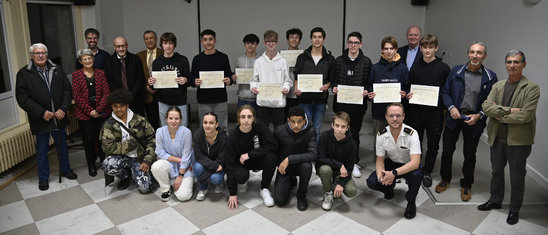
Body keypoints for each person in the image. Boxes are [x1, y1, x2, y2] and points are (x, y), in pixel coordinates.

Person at [479, 50, 540, 225]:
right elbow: (486, 107)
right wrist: (510, 110)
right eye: (509, 62)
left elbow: (525, 116)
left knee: (517, 177)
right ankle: (495, 200)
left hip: (519, 142)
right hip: (497, 137)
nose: (512, 65)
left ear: (524, 64)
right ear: (505, 64)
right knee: (496, 172)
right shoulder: (498, 85)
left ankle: (514, 209)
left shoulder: (532, 88)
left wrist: (499, 113)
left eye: (516, 62)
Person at [436, 42, 498, 201]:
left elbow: (492, 102)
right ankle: (445, 179)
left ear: (485, 56)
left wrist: (480, 115)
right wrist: (451, 108)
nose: (475, 55)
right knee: (447, 150)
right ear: (468, 54)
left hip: (474, 120)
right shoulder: (456, 71)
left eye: (479, 53)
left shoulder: (490, 77)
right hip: (454, 116)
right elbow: (445, 92)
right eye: (472, 52)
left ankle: (466, 184)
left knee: (470, 154)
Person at [15, 43, 77, 191]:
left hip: (59, 117)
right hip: (40, 119)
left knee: (62, 146)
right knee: (42, 150)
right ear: (32, 55)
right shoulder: (24, 73)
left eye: (43, 52)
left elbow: (67, 90)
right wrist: (41, 112)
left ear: (47, 54)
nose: (40, 55)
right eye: (37, 53)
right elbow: (23, 98)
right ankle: (43, 178)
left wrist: (63, 108)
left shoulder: (57, 69)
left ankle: (66, 169)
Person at [405, 34, 450, 187]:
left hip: (435, 113)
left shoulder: (444, 68)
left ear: (436, 48)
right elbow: (409, 87)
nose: (428, 50)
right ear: (421, 48)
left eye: (431, 47)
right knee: (415, 142)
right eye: (425, 47)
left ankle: (427, 171)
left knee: (433, 144)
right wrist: (409, 94)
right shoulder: (415, 67)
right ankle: (415, 167)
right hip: (416, 112)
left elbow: (446, 91)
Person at [366, 103, 421, 219]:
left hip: (409, 165)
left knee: (417, 176)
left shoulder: (412, 134)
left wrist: (393, 173)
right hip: (392, 163)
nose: (395, 119)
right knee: (372, 181)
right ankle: (388, 188)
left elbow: (415, 163)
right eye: (391, 116)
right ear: (386, 117)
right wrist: (381, 178)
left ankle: (411, 202)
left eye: (398, 115)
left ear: (403, 116)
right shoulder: (381, 135)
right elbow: (380, 160)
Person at [332, 31, 373, 178]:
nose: (353, 45)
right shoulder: (338, 61)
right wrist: (334, 87)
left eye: (356, 43)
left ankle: (353, 163)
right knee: (338, 133)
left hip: (357, 107)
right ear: (347, 43)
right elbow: (333, 79)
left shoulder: (367, 62)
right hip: (341, 106)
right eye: (350, 42)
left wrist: (367, 90)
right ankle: (338, 162)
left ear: (360, 44)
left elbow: (369, 82)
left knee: (354, 135)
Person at [100, 89, 157, 193]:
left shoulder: (140, 120)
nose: (118, 109)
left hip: (140, 158)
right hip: (123, 158)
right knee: (108, 164)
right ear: (111, 107)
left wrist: (147, 161)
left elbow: (152, 141)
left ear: (127, 106)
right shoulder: (108, 124)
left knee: (145, 188)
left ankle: (143, 173)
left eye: (121, 106)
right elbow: (107, 147)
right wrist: (129, 145)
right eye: (115, 106)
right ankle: (125, 176)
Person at [225, 105, 278, 210]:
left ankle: (264, 188)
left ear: (253, 118)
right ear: (238, 119)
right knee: (240, 176)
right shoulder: (233, 137)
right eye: (243, 117)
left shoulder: (260, 127)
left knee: (272, 157)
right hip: (241, 163)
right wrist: (232, 193)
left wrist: (249, 154)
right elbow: (229, 164)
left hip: (257, 158)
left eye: (249, 117)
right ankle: (242, 181)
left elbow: (273, 145)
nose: (246, 120)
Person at [71, 49, 111, 177]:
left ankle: (104, 162)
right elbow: (77, 96)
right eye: (85, 59)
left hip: (101, 112)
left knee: (101, 139)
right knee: (88, 140)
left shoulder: (101, 73)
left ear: (93, 60)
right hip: (84, 114)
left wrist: (98, 110)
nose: (88, 61)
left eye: (89, 58)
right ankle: (91, 165)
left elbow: (106, 92)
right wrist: (90, 111)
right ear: (80, 61)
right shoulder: (76, 75)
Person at [294, 27, 335, 141]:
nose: (317, 39)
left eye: (320, 37)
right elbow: (296, 75)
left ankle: (314, 157)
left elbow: (332, 79)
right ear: (311, 39)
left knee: (316, 129)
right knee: (305, 128)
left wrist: (328, 85)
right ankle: (305, 155)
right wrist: (296, 88)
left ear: (324, 39)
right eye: (314, 37)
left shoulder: (330, 59)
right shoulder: (302, 57)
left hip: (320, 100)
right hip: (304, 99)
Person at [366, 36, 409, 145]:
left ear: (396, 50)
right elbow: (369, 86)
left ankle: (394, 162)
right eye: (386, 49)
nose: (388, 51)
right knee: (380, 140)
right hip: (379, 112)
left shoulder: (403, 68)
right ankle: (379, 162)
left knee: (397, 140)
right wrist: (370, 94)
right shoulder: (375, 68)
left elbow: (407, 87)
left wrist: (404, 93)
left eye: (391, 48)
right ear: (382, 50)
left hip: (397, 112)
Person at [273, 106, 317, 211]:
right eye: (292, 122)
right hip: (285, 168)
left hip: (301, 165)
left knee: (307, 166)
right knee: (280, 201)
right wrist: (279, 163)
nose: (296, 125)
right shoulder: (280, 131)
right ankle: (290, 179)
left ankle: (301, 195)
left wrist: (289, 159)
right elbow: (273, 151)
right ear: (288, 120)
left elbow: (313, 154)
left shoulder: (310, 131)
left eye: (299, 122)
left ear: (304, 120)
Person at [190, 29, 233, 131]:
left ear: (215, 40)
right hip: (203, 100)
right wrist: (194, 82)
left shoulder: (223, 57)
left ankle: (223, 147)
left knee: (222, 128)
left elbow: (229, 75)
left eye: (210, 39)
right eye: (205, 40)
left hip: (220, 99)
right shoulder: (197, 59)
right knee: (205, 128)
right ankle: (206, 147)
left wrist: (229, 80)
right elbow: (192, 77)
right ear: (202, 42)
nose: (208, 42)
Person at [150, 106, 195, 202]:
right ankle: (166, 189)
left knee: (183, 196)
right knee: (156, 166)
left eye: (176, 118)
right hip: (170, 164)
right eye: (170, 118)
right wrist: (178, 159)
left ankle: (179, 181)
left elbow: (187, 156)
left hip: (185, 167)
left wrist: (180, 176)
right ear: (166, 119)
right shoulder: (160, 132)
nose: (173, 121)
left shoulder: (187, 132)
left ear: (181, 120)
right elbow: (160, 152)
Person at [147, 32, 191, 127]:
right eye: (165, 43)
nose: (168, 46)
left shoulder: (183, 60)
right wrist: (151, 83)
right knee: (165, 128)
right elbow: (154, 86)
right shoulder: (157, 62)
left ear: (174, 45)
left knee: (182, 128)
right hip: (163, 101)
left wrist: (185, 80)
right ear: (161, 45)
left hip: (180, 100)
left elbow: (190, 80)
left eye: (170, 43)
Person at [250, 30, 292, 128]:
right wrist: (254, 87)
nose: (271, 44)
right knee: (263, 131)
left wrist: (286, 88)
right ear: (264, 43)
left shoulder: (283, 61)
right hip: (263, 103)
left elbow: (287, 80)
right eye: (268, 42)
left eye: (273, 41)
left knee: (279, 132)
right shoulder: (258, 61)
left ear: (277, 43)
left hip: (278, 103)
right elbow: (254, 80)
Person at [317, 111, 357, 211]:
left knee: (351, 191)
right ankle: (328, 193)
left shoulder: (352, 143)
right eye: (337, 125)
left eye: (343, 127)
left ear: (347, 128)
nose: (339, 129)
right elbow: (321, 158)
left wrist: (341, 183)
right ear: (332, 125)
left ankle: (335, 181)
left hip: (342, 173)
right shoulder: (325, 137)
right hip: (326, 167)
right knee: (325, 170)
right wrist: (339, 165)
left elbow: (349, 168)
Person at [104, 36, 146, 116]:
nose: (121, 49)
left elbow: (140, 79)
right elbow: (109, 81)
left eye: (123, 46)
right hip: (118, 101)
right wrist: (121, 96)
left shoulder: (135, 59)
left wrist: (131, 95)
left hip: (135, 99)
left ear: (127, 45)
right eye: (118, 46)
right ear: (114, 47)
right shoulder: (108, 61)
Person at [193, 112, 227, 201]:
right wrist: (215, 167)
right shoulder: (198, 135)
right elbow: (199, 156)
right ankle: (203, 188)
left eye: (211, 123)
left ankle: (219, 182)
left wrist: (203, 176)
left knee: (215, 179)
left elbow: (221, 159)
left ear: (216, 124)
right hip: (211, 164)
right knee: (197, 167)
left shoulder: (223, 137)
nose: (207, 126)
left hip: (220, 164)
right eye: (205, 122)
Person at [137, 30, 163, 130]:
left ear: (156, 39)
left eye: (151, 38)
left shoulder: (163, 53)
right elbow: (138, 75)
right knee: (152, 122)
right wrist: (147, 87)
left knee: (166, 121)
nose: (149, 40)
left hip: (163, 93)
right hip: (147, 94)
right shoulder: (139, 56)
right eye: (146, 38)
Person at [234, 33, 260, 111]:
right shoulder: (239, 60)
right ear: (244, 44)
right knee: (242, 121)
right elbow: (236, 78)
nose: (250, 45)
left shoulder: (261, 60)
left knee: (256, 122)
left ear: (257, 45)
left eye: (253, 43)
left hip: (256, 97)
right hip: (242, 97)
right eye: (248, 43)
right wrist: (234, 78)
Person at [284, 28, 303, 117]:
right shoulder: (281, 57)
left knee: (297, 120)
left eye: (297, 37)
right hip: (285, 93)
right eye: (291, 37)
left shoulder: (304, 56)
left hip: (299, 93)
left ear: (300, 41)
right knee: (285, 119)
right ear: (287, 40)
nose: (294, 39)